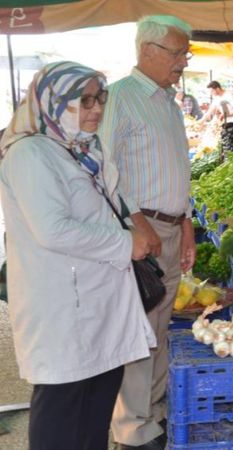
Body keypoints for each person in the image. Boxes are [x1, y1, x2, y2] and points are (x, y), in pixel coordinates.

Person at [0, 61, 155, 450]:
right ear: (53, 102)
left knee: (95, 410)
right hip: (61, 308)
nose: (96, 109)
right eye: (83, 101)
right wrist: (125, 243)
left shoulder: (83, 149)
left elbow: (110, 199)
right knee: (62, 409)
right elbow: (52, 229)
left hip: (99, 301)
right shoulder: (31, 154)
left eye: (99, 99)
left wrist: (134, 226)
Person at [98, 15, 196, 450]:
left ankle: (153, 414)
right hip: (142, 231)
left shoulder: (169, 103)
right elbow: (104, 167)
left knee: (160, 327)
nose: (183, 62)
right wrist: (137, 221)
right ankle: (132, 429)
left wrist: (187, 224)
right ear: (148, 51)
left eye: (184, 53)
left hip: (170, 229)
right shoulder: (120, 98)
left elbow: (179, 171)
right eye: (177, 53)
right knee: (138, 330)